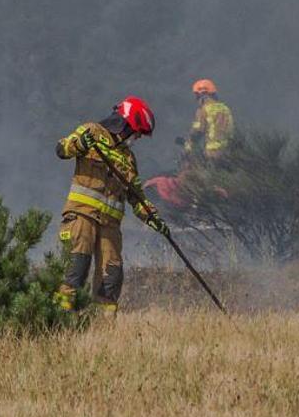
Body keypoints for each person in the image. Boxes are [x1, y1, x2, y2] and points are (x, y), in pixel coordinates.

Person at [53, 96, 166, 313]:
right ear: (125, 124)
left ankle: (102, 332)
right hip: (81, 216)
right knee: (76, 269)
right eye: (137, 133)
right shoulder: (91, 132)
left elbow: (137, 196)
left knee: (111, 279)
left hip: (110, 227)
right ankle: (59, 322)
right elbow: (62, 149)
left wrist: (152, 217)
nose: (137, 139)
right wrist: (79, 144)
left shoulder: (128, 158)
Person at [183, 78, 234, 162]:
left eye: (196, 95)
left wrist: (188, 148)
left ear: (201, 95)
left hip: (212, 153)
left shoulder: (204, 109)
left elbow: (197, 131)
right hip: (229, 152)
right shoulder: (225, 108)